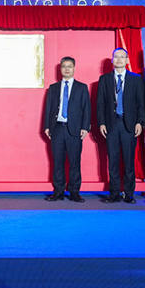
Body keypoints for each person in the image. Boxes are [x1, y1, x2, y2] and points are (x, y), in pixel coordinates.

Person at [96, 47, 145, 203]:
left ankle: (129, 194)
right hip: (111, 124)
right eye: (116, 57)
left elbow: (141, 103)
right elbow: (100, 103)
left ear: (127, 60)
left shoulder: (136, 79)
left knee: (129, 161)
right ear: (112, 60)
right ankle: (114, 193)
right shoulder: (104, 79)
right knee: (113, 161)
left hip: (129, 124)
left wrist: (140, 122)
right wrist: (101, 123)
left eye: (122, 57)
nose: (119, 59)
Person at [43, 57, 90, 202]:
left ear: (74, 68)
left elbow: (86, 109)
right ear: (60, 69)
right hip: (57, 128)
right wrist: (47, 126)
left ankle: (74, 192)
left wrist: (85, 127)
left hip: (74, 130)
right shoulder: (53, 88)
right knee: (57, 162)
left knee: (75, 162)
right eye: (64, 66)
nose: (67, 69)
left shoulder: (82, 87)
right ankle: (58, 191)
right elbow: (48, 108)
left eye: (70, 66)